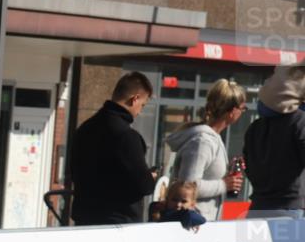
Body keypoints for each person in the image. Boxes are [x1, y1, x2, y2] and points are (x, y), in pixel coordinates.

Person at [70, 71, 156, 225]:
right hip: (117, 223)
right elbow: (144, 185)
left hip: (84, 219)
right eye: (142, 105)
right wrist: (150, 177)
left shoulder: (85, 128)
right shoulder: (126, 135)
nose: (140, 111)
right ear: (135, 99)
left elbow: (73, 171)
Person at [164, 79, 247, 221]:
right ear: (233, 111)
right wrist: (224, 184)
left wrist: (229, 172)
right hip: (192, 223)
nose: (242, 112)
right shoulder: (203, 142)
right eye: (242, 108)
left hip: (201, 221)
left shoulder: (213, 138)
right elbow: (187, 185)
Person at [243, 104, 305, 219]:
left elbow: (249, 167)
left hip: (258, 207)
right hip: (290, 208)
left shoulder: (255, 127)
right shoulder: (299, 121)